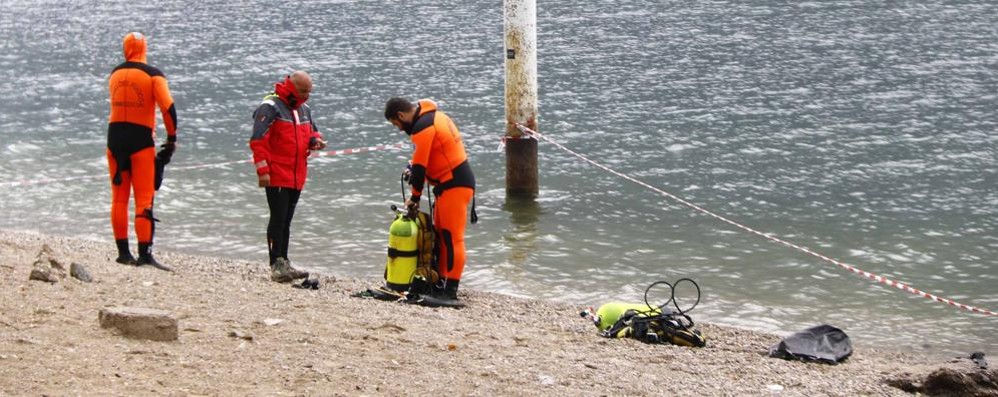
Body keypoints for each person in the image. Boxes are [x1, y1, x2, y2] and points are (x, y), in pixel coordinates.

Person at [384, 97, 475, 300]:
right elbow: (425, 157)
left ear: (400, 115)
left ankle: (450, 291)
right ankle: (441, 282)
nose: (398, 128)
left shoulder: (424, 126)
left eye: (396, 124)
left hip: (455, 185)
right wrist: (412, 166)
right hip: (447, 185)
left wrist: (414, 198)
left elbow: (420, 167)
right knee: (441, 237)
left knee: (452, 239)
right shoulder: (433, 118)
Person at [106, 32, 177, 271]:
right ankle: (145, 254)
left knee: (119, 197)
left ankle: (123, 253)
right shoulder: (153, 74)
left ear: (125, 48)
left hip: (114, 139)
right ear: (145, 48)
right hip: (140, 140)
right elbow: (167, 107)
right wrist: (172, 137)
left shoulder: (115, 74)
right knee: (144, 198)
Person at [250, 71, 327, 283]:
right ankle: (276, 263)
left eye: (309, 92)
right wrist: (263, 171)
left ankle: (284, 260)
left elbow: (312, 131)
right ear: (292, 87)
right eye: (303, 91)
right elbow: (258, 140)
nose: (306, 96)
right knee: (278, 217)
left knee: (287, 220)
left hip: (297, 173)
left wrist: (315, 141)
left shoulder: (304, 109)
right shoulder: (270, 107)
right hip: (277, 173)